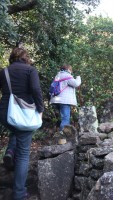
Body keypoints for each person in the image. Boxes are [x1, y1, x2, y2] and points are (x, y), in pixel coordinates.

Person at [0, 47, 44, 200]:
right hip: (24, 115)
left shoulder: (4, 71)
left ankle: (10, 151)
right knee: (24, 154)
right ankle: (19, 193)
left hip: (6, 114)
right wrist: (40, 109)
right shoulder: (30, 70)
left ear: (12, 57)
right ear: (26, 58)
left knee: (15, 130)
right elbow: (35, 89)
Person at [50, 64, 81, 131]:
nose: (71, 71)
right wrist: (78, 78)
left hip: (56, 100)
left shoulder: (58, 75)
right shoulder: (67, 75)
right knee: (65, 118)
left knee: (62, 117)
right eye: (71, 69)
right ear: (68, 69)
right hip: (64, 100)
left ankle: (59, 133)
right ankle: (62, 135)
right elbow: (76, 84)